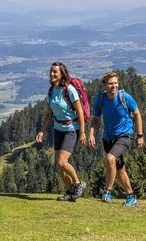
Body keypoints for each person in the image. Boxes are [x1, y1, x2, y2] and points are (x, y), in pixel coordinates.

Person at [88, 71, 144, 207]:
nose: (114, 86)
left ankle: (107, 191)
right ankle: (131, 196)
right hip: (108, 137)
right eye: (110, 83)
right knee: (119, 169)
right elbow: (95, 119)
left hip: (125, 135)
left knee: (110, 159)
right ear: (105, 85)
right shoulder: (101, 100)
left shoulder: (124, 97)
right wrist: (91, 134)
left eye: (115, 83)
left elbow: (137, 114)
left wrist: (140, 135)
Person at [35, 61, 87, 201]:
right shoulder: (52, 91)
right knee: (60, 165)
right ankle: (69, 192)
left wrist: (82, 132)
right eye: (51, 71)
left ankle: (78, 183)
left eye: (55, 72)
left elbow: (80, 112)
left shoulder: (69, 90)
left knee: (62, 161)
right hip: (58, 129)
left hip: (71, 130)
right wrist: (42, 131)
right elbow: (49, 114)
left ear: (61, 74)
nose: (52, 74)